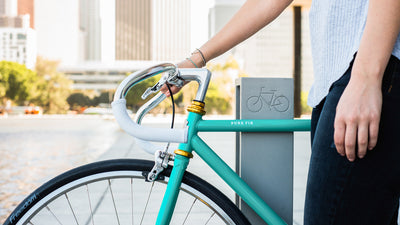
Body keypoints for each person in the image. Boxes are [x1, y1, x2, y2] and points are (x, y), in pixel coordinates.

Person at [162, 0, 400, 224]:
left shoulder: (364, 78)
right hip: (339, 79)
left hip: (368, 71)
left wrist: (366, 77)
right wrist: (196, 60)